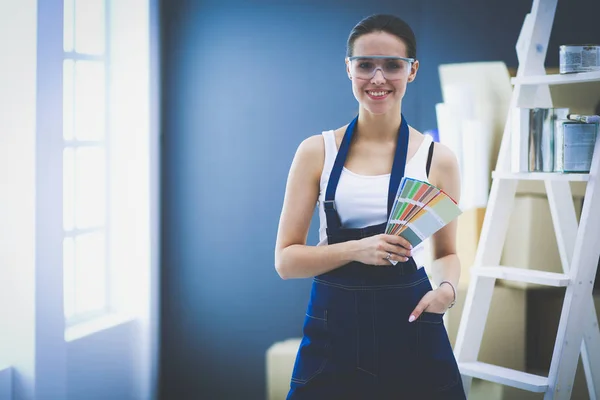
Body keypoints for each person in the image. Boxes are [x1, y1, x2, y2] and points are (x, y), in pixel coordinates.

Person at [274, 13, 466, 400]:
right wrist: (359, 249)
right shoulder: (316, 152)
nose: (378, 79)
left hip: (410, 326)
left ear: (412, 71)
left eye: (393, 65)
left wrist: (446, 290)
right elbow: (286, 261)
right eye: (365, 65)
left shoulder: (437, 159)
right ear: (349, 69)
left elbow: (447, 254)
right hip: (334, 330)